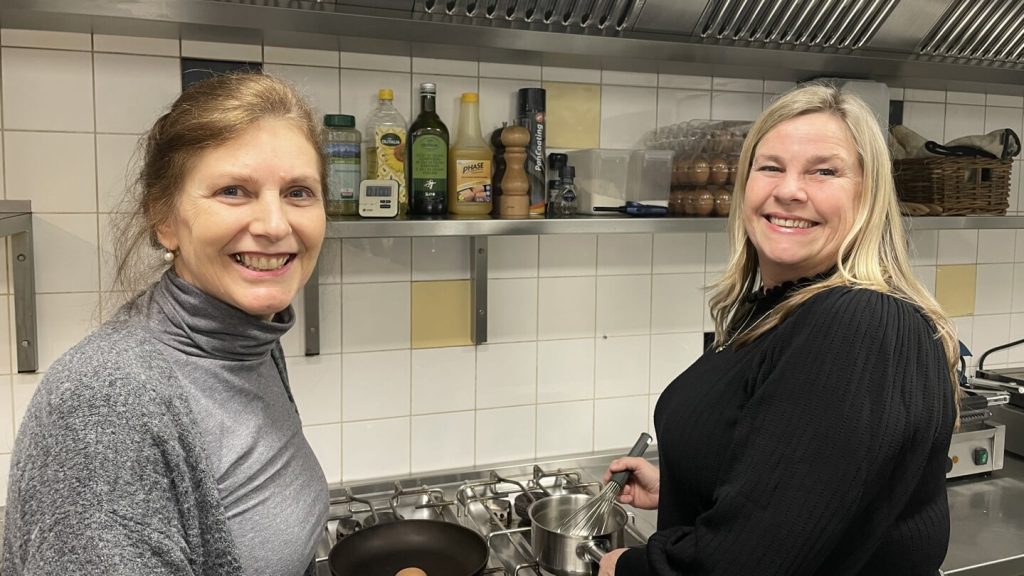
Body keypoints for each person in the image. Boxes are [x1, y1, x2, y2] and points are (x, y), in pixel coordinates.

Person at [599, 83, 959, 576]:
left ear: (868, 194)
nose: (788, 191)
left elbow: (752, 566)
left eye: (824, 171)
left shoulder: (863, 324)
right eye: (770, 167)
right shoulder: (776, 309)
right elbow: (806, 489)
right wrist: (687, 484)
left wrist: (625, 568)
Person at [2, 73, 329, 576]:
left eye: (299, 192)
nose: (274, 225)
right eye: (233, 191)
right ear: (165, 219)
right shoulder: (107, 400)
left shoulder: (253, 342)